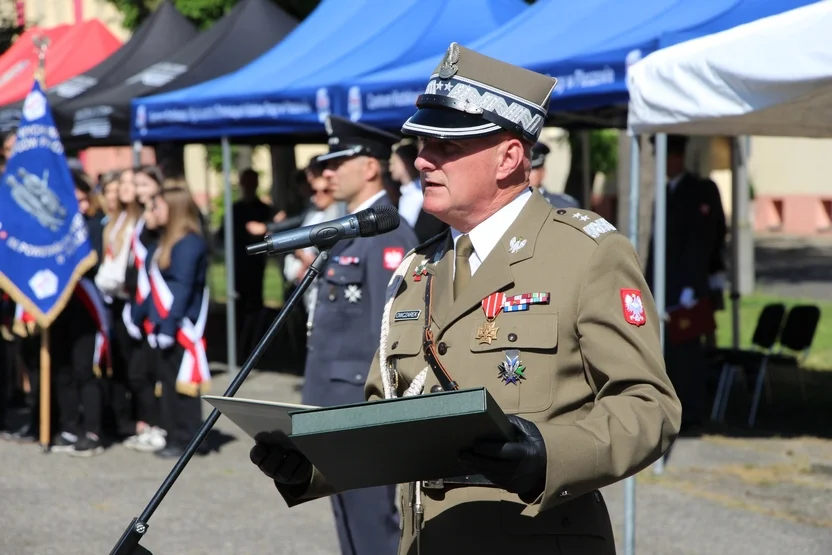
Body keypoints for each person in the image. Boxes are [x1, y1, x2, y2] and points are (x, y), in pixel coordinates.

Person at [250, 43, 681, 555]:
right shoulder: (419, 267)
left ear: (509, 157)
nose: (421, 158)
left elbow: (649, 405)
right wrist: (313, 465)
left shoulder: (586, 254)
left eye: (447, 146)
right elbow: (382, 418)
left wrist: (548, 454)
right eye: (421, 143)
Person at [290, 114, 420, 555]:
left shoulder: (388, 234)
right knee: (348, 525)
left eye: (337, 162)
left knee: (372, 529)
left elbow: (384, 339)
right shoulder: (351, 230)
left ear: (369, 166)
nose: (327, 172)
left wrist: (375, 417)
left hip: (359, 411)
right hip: (333, 404)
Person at [646, 134, 718, 429]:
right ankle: (671, 406)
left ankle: (691, 411)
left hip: (685, 288)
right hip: (665, 285)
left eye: (667, 156)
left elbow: (703, 241)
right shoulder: (667, 192)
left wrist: (691, 283)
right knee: (668, 353)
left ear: (677, 156)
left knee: (687, 353)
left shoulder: (698, 190)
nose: (663, 164)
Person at [134, 185, 210, 458]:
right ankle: (175, 433)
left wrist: (168, 325)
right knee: (167, 384)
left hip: (181, 327)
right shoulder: (167, 241)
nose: (153, 212)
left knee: (182, 387)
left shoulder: (189, 243)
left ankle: (188, 438)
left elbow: (182, 288)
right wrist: (138, 314)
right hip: (164, 324)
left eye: (158, 207)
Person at [216, 168, 274, 362]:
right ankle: (239, 350)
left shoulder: (264, 210)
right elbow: (222, 236)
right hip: (238, 266)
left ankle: (254, 349)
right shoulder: (235, 209)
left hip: (256, 266)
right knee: (238, 309)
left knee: (256, 308)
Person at [390, 142, 448, 242]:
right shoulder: (404, 195)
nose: (390, 168)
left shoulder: (420, 194)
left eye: (394, 163)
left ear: (405, 162)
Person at [529, 141, 580, 208]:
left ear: (543, 172)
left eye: (532, 170)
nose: (527, 174)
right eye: (522, 170)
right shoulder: (513, 203)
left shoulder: (563, 205)